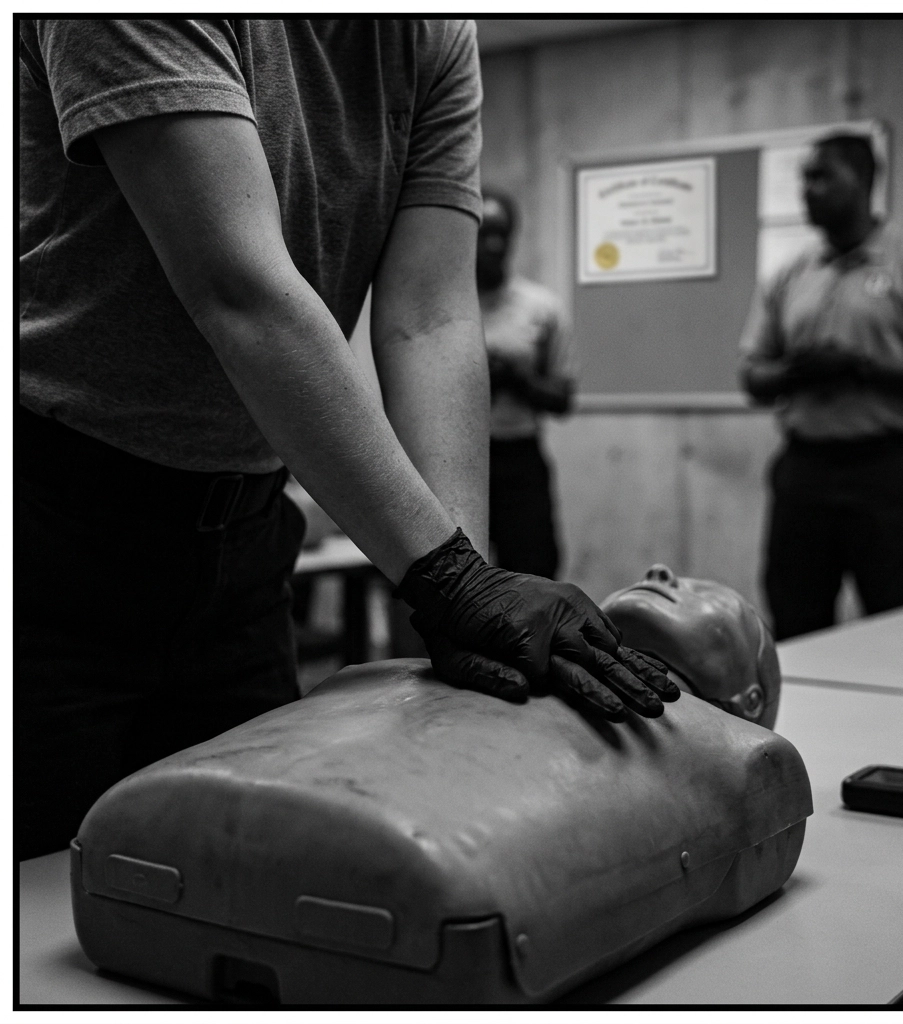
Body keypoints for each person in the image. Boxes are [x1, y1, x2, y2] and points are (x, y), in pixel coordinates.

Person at [18, 19, 676, 860]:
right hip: (48, 529)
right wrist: (449, 581)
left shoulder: (431, 32)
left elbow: (431, 318)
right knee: (38, 910)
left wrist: (464, 588)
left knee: (238, 880)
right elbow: (238, 287)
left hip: (243, 542)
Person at [739, 133, 903, 641]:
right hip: (804, 469)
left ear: (865, 181)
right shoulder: (789, 273)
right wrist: (796, 373)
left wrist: (860, 367)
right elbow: (753, 376)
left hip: (885, 471)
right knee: (795, 619)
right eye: (805, 177)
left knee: (898, 618)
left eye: (823, 176)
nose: (808, 189)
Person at [477, 190, 577, 578]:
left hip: (519, 456)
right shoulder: (443, 309)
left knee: (534, 572)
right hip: (460, 457)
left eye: (503, 233)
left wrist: (517, 379)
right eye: (485, 233)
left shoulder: (540, 307)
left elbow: (563, 397)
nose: (494, 244)